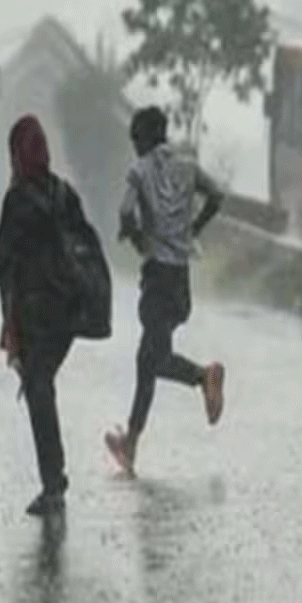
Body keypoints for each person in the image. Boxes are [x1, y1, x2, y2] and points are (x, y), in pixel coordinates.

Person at [104, 106, 226, 475]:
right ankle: (131, 444)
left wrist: (139, 239)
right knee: (148, 360)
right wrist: (192, 231)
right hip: (181, 280)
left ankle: (204, 376)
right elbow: (217, 195)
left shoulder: (139, 170)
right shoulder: (187, 165)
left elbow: (125, 212)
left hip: (157, 278)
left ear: (142, 138)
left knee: (152, 360)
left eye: (134, 140)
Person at [0, 114, 94, 516]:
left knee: (38, 388)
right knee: (41, 385)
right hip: (65, 314)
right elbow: (85, 244)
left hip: (35, 314)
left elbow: (3, 258)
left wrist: (9, 316)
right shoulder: (64, 193)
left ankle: (54, 484)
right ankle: (54, 480)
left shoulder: (17, 199)